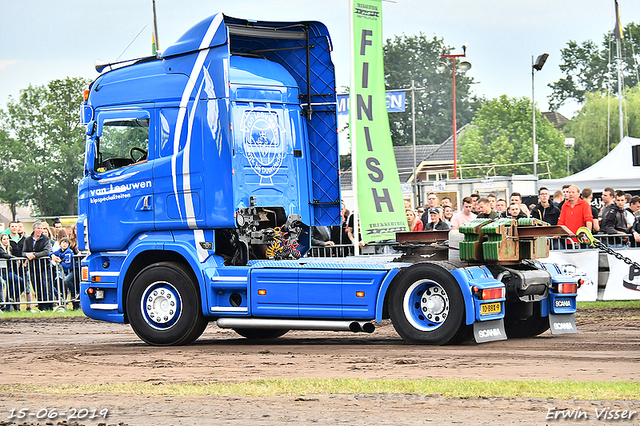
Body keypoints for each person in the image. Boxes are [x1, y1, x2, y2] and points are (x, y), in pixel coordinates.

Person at [22, 221, 53, 311]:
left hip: (44, 266)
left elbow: (46, 251)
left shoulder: (46, 239)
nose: (40, 230)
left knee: (45, 285)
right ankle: (41, 306)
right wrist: (27, 255)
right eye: (38, 228)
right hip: (33, 267)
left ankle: (49, 306)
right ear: (34, 229)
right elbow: (23, 252)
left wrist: (35, 255)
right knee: (36, 286)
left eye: (42, 229)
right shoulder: (27, 240)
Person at [0, 233, 29, 312]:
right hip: (2, 271)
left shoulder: (10, 248)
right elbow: (4, 255)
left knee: (14, 285)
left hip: (8, 270)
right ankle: (10, 299)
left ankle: (10, 300)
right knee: (19, 280)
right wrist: (15, 258)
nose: (6, 241)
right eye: (4, 239)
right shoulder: (0, 248)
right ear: (1, 240)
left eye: (7, 239)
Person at [51, 237, 79, 310]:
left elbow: (68, 265)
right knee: (59, 282)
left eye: (66, 243)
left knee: (67, 280)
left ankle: (74, 294)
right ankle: (66, 303)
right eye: (63, 242)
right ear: (60, 244)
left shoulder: (69, 253)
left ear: (68, 245)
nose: (64, 244)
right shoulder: (60, 251)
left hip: (74, 270)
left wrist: (60, 261)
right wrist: (52, 256)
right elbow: (51, 253)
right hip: (66, 272)